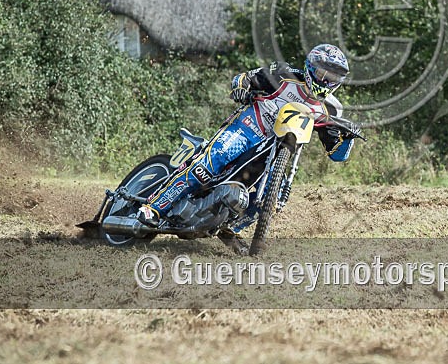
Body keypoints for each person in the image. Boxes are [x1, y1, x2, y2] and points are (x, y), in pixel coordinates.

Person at [136, 43, 359, 250]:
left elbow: (336, 154)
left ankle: (229, 226)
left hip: (273, 153)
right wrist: (241, 88)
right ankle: (153, 207)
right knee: (210, 163)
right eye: (323, 74)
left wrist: (347, 138)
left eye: (333, 77)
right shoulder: (284, 75)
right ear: (311, 68)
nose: (326, 81)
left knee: (271, 200)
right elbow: (244, 78)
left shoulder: (330, 109)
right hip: (247, 128)